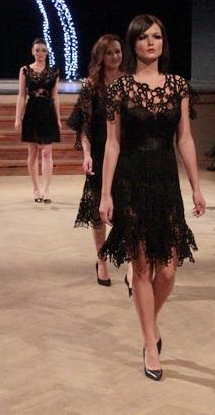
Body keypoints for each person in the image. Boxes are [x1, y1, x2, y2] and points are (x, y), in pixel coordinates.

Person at [99, 14, 205, 381]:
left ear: (163, 42)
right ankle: (149, 344)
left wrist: (195, 185)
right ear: (133, 43)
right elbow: (112, 144)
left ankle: (151, 322)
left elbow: (185, 138)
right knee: (142, 267)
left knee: (170, 269)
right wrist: (105, 193)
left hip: (165, 180)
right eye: (144, 37)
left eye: (157, 36)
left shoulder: (178, 86)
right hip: (131, 179)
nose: (150, 42)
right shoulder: (120, 88)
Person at [68, 34, 124, 287]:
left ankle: (131, 264)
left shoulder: (129, 82)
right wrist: (87, 155)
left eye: (118, 51)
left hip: (126, 154)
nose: (114, 57)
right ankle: (101, 260)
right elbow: (84, 126)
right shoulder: (91, 86)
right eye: (109, 52)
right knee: (97, 211)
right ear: (100, 55)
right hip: (101, 153)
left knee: (127, 209)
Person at [15, 38, 62, 203]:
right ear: (32, 51)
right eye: (37, 50)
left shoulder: (54, 71)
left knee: (47, 152)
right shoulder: (25, 70)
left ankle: (47, 189)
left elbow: (55, 96)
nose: (40, 53)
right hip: (32, 112)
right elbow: (22, 95)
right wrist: (17, 117)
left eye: (43, 50)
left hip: (48, 112)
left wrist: (58, 118)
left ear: (47, 52)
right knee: (33, 152)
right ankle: (36, 189)